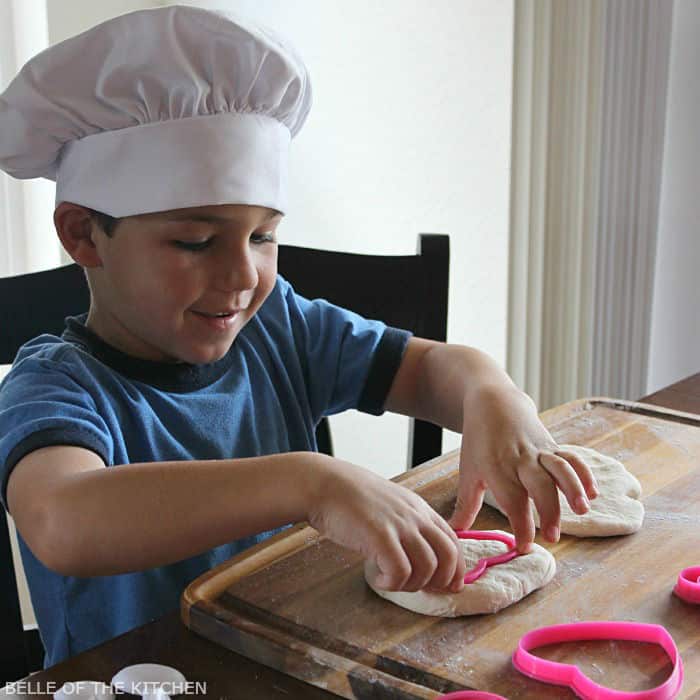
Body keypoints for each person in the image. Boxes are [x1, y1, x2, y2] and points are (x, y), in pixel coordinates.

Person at [0, 6, 597, 667]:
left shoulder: (276, 327)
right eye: (195, 240)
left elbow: (431, 371)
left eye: (262, 236)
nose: (241, 275)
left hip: (300, 664)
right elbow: (64, 520)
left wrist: (492, 397)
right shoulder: (55, 386)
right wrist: (309, 482)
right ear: (84, 233)